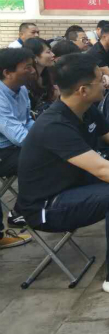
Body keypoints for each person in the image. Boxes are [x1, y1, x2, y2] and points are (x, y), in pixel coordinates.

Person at [15, 53, 109, 299]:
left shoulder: (85, 110)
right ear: (83, 90)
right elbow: (101, 169)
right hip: (46, 205)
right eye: (100, 79)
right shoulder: (55, 125)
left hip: (73, 184)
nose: (107, 81)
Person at [0, 48, 35, 249]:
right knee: (42, 160)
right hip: (3, 151)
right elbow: (16, 134)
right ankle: (24, 211)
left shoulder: (21, 89)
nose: (33, 71)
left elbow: (27, 121)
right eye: (27, 67)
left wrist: (45, 135)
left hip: (14, 146)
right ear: (7, 72)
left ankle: (22, 210)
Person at [24, 38, 57, 118]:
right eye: (48, 52)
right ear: (35, 57)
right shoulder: (24, 82)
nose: (53, 54)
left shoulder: (48, 75)